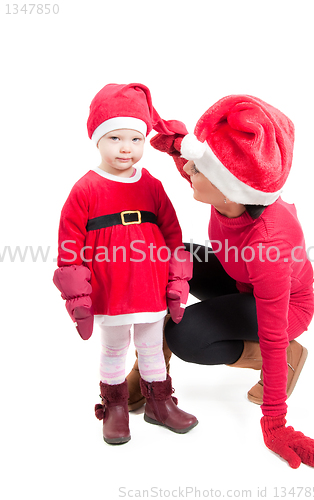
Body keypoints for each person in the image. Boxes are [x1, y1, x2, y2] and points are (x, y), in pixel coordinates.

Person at [150, 94, 314, 468]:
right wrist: (168, 140)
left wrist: (276, 422)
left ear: (230, 186)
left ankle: (281, 359)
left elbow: (272, 328)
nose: (188, 174)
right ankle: (149, 372)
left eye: (198, 172)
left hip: (283, 309)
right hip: (242, 278)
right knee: (168, 255)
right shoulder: (230, 195)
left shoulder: (269, 243)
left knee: (184, 335)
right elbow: (196, 162)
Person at [53, 83, 198, 445]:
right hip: (110, 289)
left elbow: (172, 235)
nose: (126, 148)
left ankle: (159, 402)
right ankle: (115, 407)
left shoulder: (151, 185)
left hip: (149, 287)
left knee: (151, 346)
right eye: (115, 137)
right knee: (114, 348)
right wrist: (79, 299)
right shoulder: (85, 189)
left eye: (135, 139)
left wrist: (177, 283)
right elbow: (69, 245)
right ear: (97, 139)